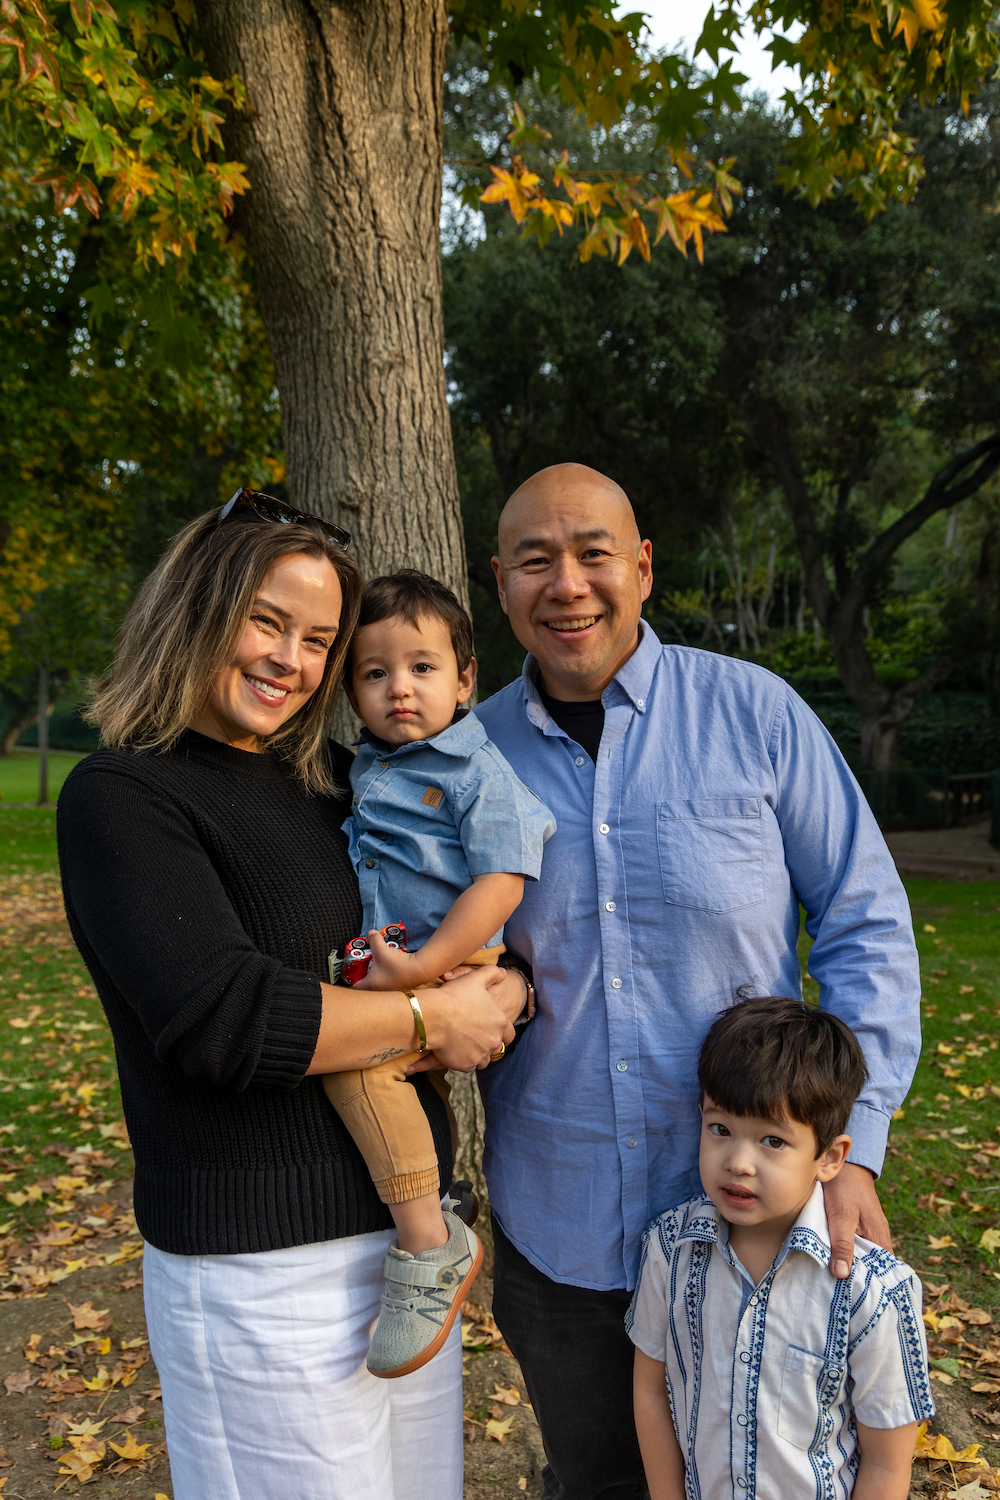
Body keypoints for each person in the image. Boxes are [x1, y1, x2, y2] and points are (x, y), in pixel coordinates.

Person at [56, 490, 530, 1500]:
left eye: (318, 639)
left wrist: (502, 989)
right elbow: (221, 1017)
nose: (291, 658)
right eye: (266, 621)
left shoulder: (329, 789)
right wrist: (424, 1017)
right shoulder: (124, 794)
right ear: (197, 607)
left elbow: (418, 919)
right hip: (260, 1276)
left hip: (410, 1255)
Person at [475, 463, 922, 1500]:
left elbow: (862, 917)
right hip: (562, 1224)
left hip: (757, 1213)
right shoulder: (468, 754)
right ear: (501, 584)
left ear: (640, 567)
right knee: (596, 1480)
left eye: (592, 554)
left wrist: (858, 1151)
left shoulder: (756, 714)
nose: (567, 584)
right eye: (535, 561)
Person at [323, 569, 555, 1378]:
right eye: (374, 672)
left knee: (358, 1071)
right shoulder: (368, 763)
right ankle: (430, 1217)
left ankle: (431, 1242)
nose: (399, 690)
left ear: (464, 680)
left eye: (422, 669)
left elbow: (502, 879)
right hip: (398, 963)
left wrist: (427, 965)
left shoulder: (474, 769)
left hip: (450, 961)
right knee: (366, 1062)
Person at [629, 995, 933, 1500]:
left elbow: (886, 1463)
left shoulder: (874, 1293)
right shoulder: (670, 1247)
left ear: (830, 1157)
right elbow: (649, 1390)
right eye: (720, 1129)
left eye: (772, 1141)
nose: (739, 1162)